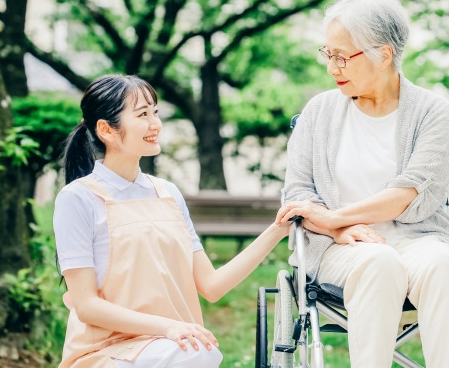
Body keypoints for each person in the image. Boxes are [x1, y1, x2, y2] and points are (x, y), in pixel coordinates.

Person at [274, 0, 449, 367]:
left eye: (342, 57)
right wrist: (335, 230)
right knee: (378, 262)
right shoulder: (319, 112)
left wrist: (335, 216)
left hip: (418, 239)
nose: (332, 68)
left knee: (445, 265)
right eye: (327, 55)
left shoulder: (433, 112)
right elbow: (297, 193)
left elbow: (408, 191)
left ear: (384, 54)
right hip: (338, 248)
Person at [53, 74, 288, 368]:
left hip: (175, 350)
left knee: (201, 353)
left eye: (155, 112)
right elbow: (87, 306)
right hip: (107, 353)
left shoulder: (167, 194)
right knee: (199, 354)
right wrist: (168, 327)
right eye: (142, 115)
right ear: (106, 130)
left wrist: (279, 229)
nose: (155, 124)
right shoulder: (78, 198)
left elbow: (212, 286)